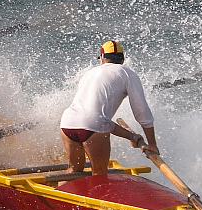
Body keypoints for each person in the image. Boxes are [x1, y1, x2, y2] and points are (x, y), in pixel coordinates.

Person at [58, 40, 159, 175]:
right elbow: (142, 112)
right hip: (93, 126)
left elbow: (100, 121)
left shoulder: (89, 74)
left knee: (74, 170)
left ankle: (61, 190)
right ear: (122, 60)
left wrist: (132, 136)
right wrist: (152, 144)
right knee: (99, 174)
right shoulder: (127, 73)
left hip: (67, 122)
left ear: (102, 59)